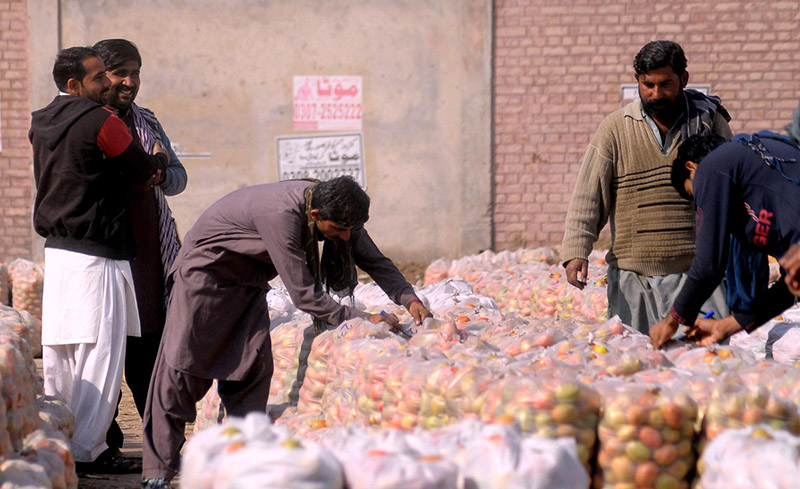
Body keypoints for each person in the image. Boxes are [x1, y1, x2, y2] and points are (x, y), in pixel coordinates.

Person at [140, 176, 432, 489]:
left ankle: (239, 459)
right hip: (206, 278)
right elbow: (304, 294)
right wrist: (361, 318)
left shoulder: (336, 208)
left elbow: (374, 259)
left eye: (351, 229)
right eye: (339, 230)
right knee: (184, 371)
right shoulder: (282, 215)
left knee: (252, 368)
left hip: (248, 283)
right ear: (317, 216)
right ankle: (158, 471)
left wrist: (409, 297)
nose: (346, 237)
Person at [29, 46, 169, 472]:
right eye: (98, 79)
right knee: (102, 356)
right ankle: (91, 449)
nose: (108, 85)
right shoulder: (101, 121)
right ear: (74, 85)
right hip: (99, 255)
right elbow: (145, 171)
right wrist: (160, 156)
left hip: (58, 252)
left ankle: (64, 442)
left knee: (61, 354)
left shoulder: (40, 121)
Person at [561, 40, 732, 333]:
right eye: (647, 85)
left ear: (684, 79)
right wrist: (577, 250)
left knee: (702, 366)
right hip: (633, 278)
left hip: (699, 275)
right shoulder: (615, 129)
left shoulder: (708, 124)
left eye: (666, 84)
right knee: (639, 365)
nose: (656, 94)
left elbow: (735, 188)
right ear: (637, 81)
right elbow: (588, 195)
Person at [92, 38, 187, 453]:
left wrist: (161, 173)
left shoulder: (147, 120)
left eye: (136, 73)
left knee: (149, 348)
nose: (130, 82)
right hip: (106, 252)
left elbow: (179, 178)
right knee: (106, 351)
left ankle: (158, 446)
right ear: (99, 77)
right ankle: (106, 442)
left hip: (149, 255)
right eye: (120, 74)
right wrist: (145, 166)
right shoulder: (86, 121)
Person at [650, 120, 800, 348]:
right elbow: (791, 286)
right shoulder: (760, 165)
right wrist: (726, 326)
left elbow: (709, 264)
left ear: (692, 168)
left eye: (695, 194)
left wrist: (673, 320)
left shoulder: (712, 166)